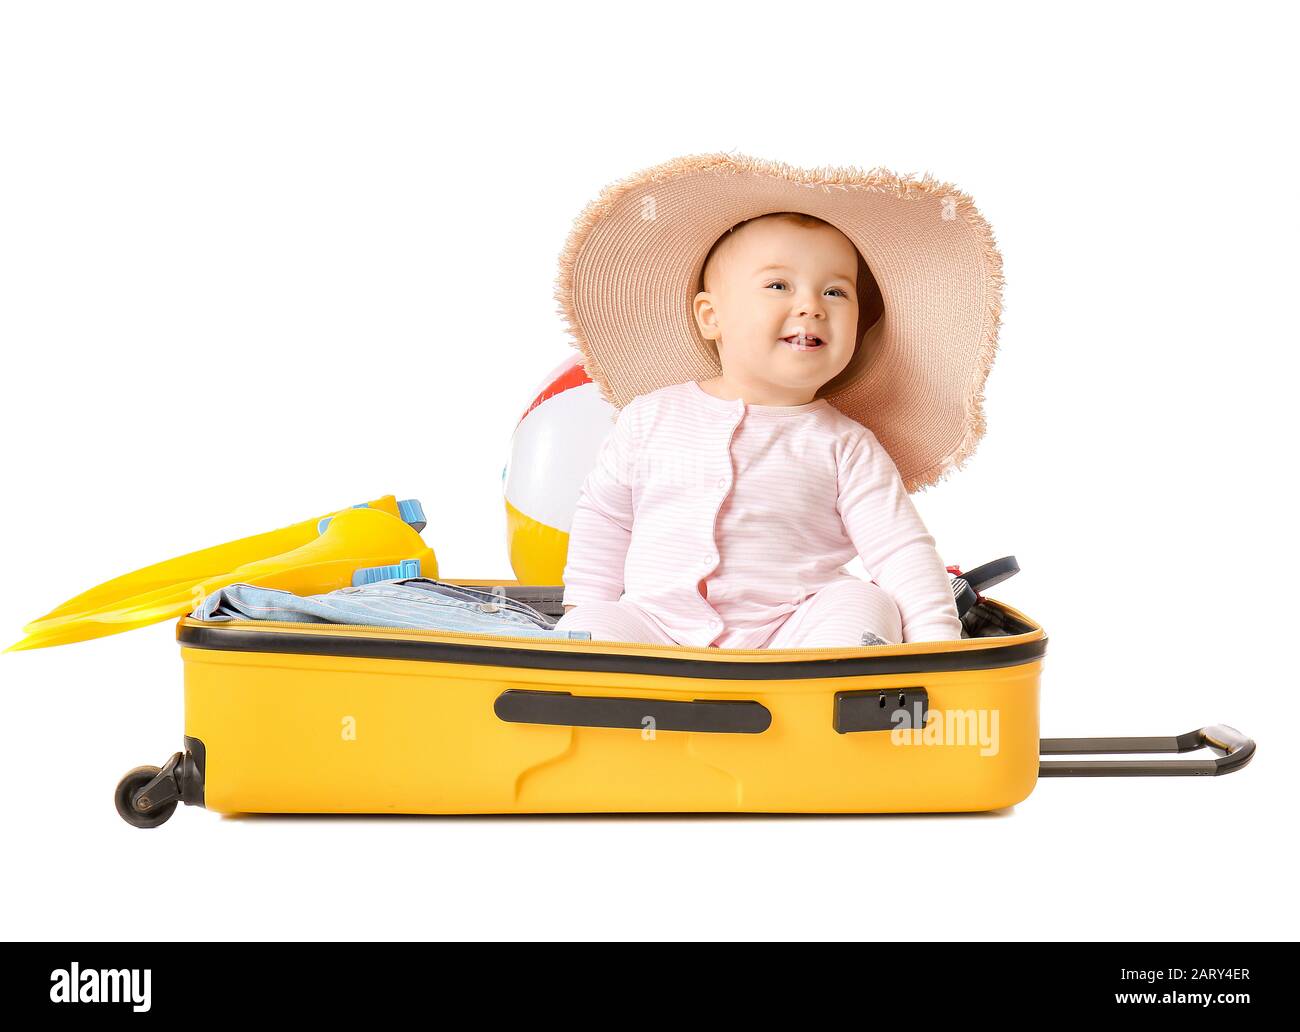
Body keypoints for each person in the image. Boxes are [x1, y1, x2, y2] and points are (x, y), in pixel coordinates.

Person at [550, 154, 1004, 649]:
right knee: (588, 626)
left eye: (835, 291)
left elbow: (900, 550)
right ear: (710, 317)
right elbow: (606, 518)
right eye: (778, 285)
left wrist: (936, 639)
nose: (810, 304)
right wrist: (585, 605)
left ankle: (836, 689)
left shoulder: (845, 445)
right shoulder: (650, 418)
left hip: (793, 632)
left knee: (866, 602)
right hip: (658, 626)